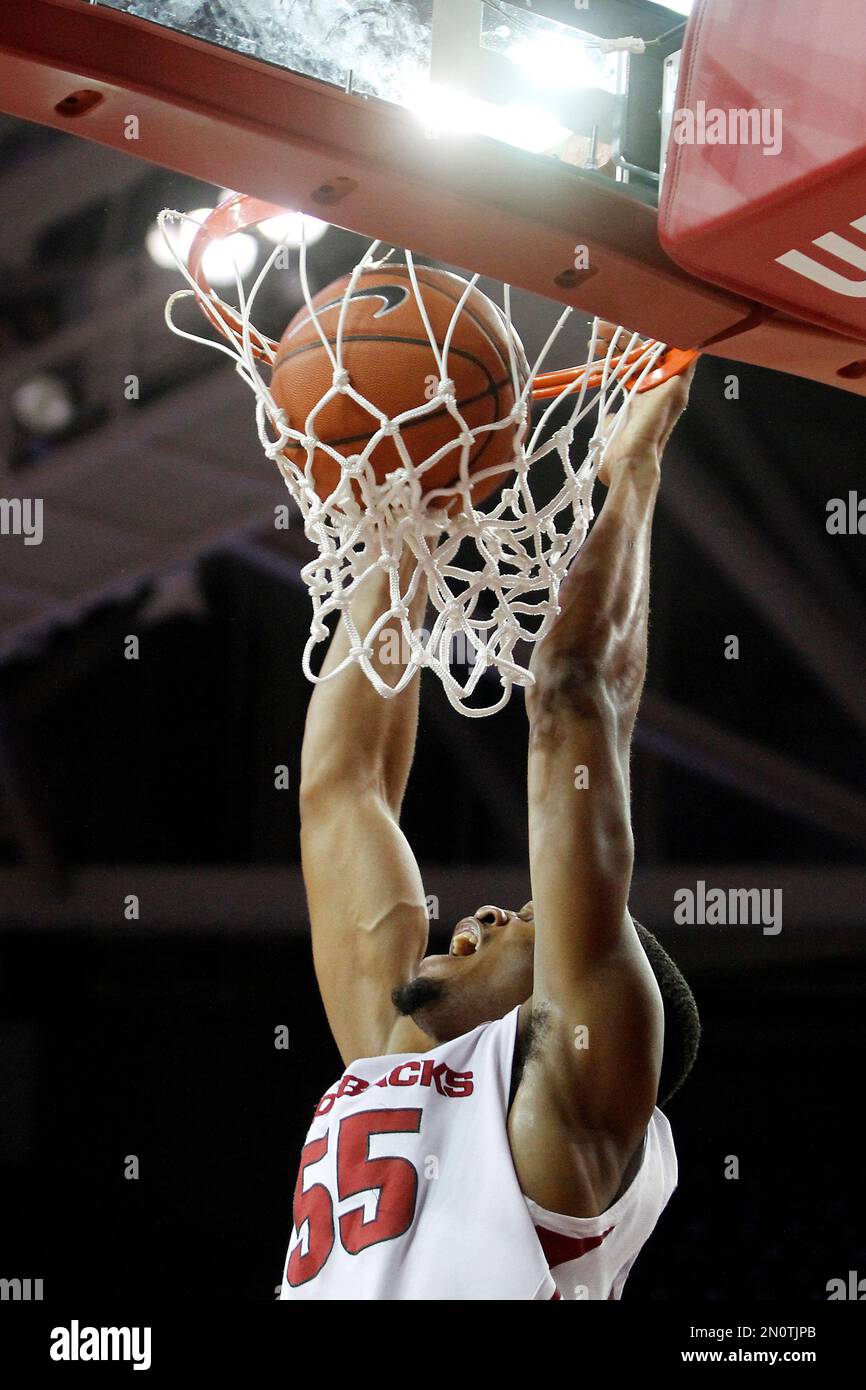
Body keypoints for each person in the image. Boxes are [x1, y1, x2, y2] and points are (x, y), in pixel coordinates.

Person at [279, 329, 701, 1300]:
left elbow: (339, 790)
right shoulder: (471, 1091)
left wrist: (419, 511)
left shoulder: (561, 1116)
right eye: (514, 921)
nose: (474, 916)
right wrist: (408, 519)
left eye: (508, 921)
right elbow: (562, 699)